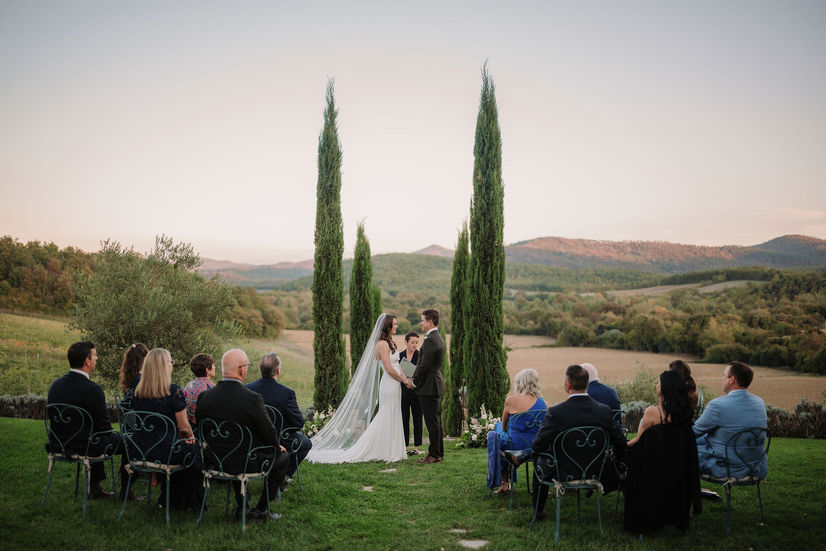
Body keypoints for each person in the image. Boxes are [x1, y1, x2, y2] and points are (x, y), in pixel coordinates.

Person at [196, 348, 289, 521]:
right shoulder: (252, 398)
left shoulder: (204, 397)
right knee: (282, 456)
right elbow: (269, 434)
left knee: (236, 450)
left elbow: (202, 430)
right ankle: (260, 510)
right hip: (243, 462)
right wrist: (277, 447)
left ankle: (243, 506)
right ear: (242, 369)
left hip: (213, 461)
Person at [307, 314, 412, 463]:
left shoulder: (391, 342)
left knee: (394, 413)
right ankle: (376, 449)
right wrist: (403, 380)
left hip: (396, 384)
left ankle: (392, 450)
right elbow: (388, 368)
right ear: (387, 326)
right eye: (394, 324)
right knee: (386, 414)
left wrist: (406, 379)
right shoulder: (382, 344)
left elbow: (397, 365)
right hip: (389, 384)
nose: (396, 326)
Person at [530, 365, 627, 520]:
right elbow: (621, 442)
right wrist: (614, 455)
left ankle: (538, 512)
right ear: (587, 384)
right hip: (597, 472)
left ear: (568, 385)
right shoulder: (604, 411)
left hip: (563, 473)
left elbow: (537, 446)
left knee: (538, 460)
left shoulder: (556, 413)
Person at [623, 370, 701, 534]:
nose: (656, 385)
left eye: (658, 382)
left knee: (619, 458)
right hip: (677, 471)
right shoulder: (685, 413)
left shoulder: (652, 412)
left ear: (665, 388)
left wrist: (622, 445)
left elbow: (639, 441)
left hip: (652, 470)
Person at [46, 341, 122, 499]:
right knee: (126, 441)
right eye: (95, 355)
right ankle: (127, 492)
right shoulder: (93, 390)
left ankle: (95, 488)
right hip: (85, 446)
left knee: (94, 436)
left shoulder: (56, 385)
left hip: (59, 443)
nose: (97, 358)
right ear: (87, 361)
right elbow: (105, 427)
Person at [130, 348, 203, 511]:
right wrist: (190, 437)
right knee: (192, 448)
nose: (172, 364)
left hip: (140, 449)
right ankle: (189, 502)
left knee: (186, 447)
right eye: (171, 361)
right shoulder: (173, 391)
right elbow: (184, 427)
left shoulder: (138, 392)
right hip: (166, 451)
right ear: (163, 365)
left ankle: (167, 499)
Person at [693, 361, 768, 478]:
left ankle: (684, 494)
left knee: (680, 449)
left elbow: (693, 432)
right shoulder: (760, 402)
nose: (722, 378)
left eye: (724, 375)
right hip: (756, 467)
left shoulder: (717, 405)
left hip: (728, 467)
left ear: (732, 380)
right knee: (699, 440)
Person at [247, 352, 312, 484]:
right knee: (306, 443)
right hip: (279, 441)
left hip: (252, 440)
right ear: (278, 371)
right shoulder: (287, 393)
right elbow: (298, 423)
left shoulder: (247, 389)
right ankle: (281, 476)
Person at [488, 368, 546, 494]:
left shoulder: (511, 400)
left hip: (514, 446)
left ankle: (504, 482)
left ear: (519, 383)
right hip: (535, 446)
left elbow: (504, 426)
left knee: (497, 434)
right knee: (499, 437)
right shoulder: (543, 404)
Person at [413, 309, 446, 464]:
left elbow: (424, 366)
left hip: (429, 386)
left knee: (432, 422)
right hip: (433, 384)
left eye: (422, 320)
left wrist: (414, 381)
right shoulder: (436, 337)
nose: (421, 323)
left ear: (430, 322)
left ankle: (433, 454)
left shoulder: (431, 339)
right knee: (436, 420)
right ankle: (438, 453)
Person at [399, 331, 423, 456]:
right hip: (403, 391)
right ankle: (406, 446)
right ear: (406, 342)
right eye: (412, 342)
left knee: (417, 418)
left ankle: (416, 447)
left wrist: (414, 381)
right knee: (404, 418)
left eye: (417, 342)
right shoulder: (400, 355)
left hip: (416, 391)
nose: (415, 345)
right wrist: (405, 381)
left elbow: (423, 373)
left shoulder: (420, 356)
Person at [183, 353, 216, 427]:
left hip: (191, 427)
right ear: (207, 370)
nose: (214, 367)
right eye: (213, 365)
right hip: (206, 429)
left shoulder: (188, 386)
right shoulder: (213, 388)